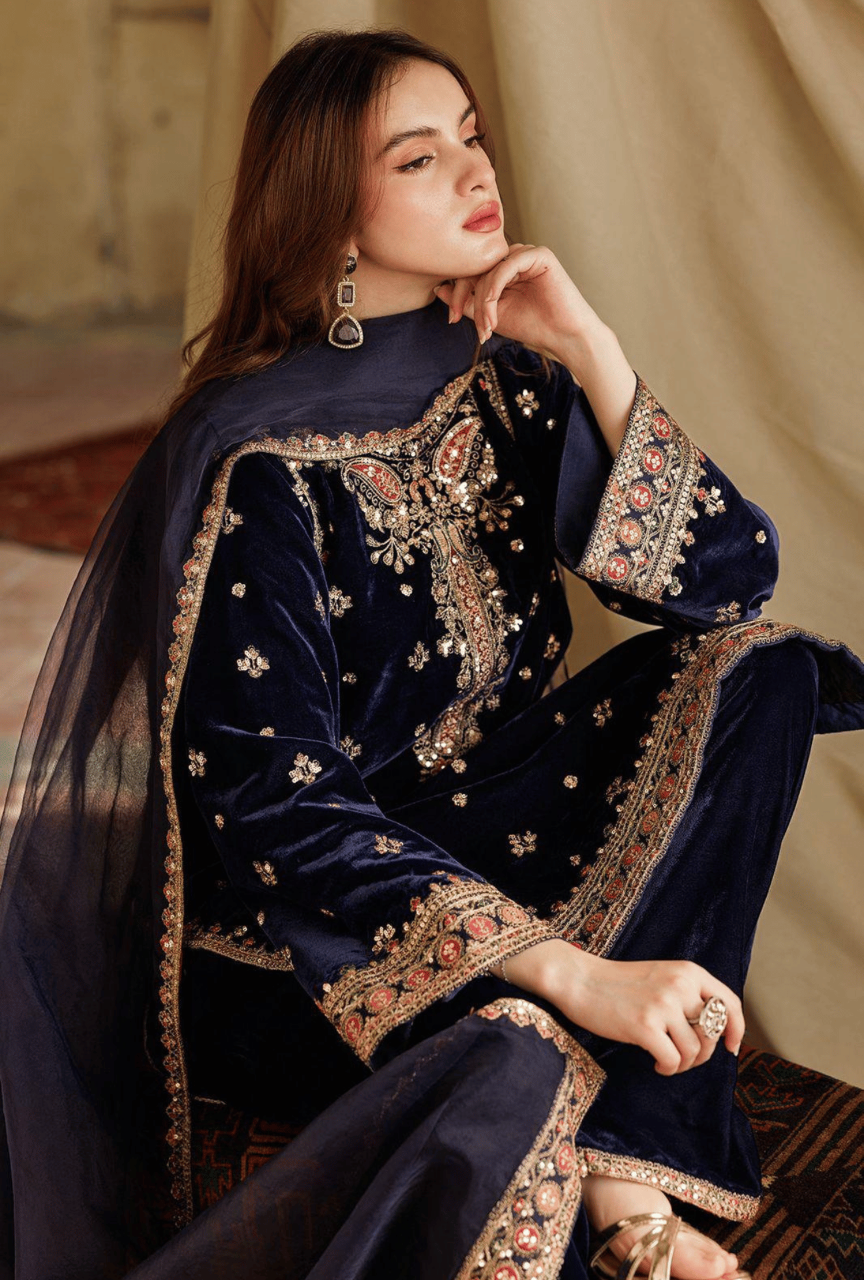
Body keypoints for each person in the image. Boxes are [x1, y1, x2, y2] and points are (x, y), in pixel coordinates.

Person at [1, 26, 862, 1280]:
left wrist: (595, 353)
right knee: (514, 1042)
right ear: (330, 217)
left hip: (499, 828)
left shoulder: (508, 379)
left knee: (764, 666)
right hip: (310, 932)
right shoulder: (262, 465)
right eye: (420, 156)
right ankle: (624, 1191)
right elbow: (274, 806)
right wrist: (571, 972)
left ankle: (619, 1155)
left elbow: (731, 581)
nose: (474, 172)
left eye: (472, 136)